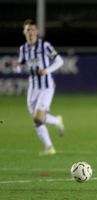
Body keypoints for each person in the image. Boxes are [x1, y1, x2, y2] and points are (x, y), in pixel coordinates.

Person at [12, 19, 65, 156]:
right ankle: (49, 145)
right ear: (24, 32)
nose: (31, 32)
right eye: (28, 29)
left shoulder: (45, 46)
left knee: (38, 117)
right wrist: (16, 66)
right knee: (37, 119)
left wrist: (46, 70)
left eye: (33, 29)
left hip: (46, 86)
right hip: (33, 88)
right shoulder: (23, 49)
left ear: (37, 31)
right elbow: (21, 67)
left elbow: (60, 61)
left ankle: (50, 144)